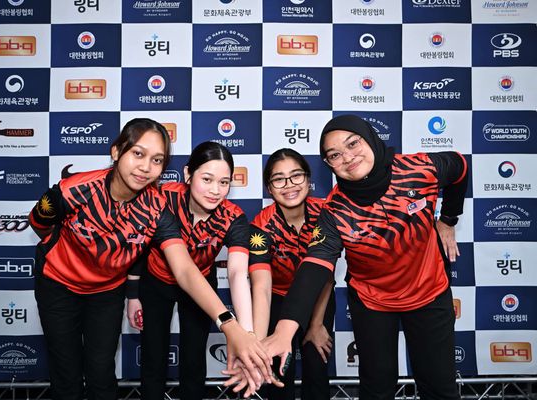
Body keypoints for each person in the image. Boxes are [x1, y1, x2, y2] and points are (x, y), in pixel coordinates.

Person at [29, 118, 271, 400]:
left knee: (101, 372)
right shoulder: (73, 190)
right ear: (116, 151)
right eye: (138, 154)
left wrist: (232, 326)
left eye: (157, 160)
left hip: (107, 290)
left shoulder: (157, 208)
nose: (145, 167)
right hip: (58, 285)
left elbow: (185, 269)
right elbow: (40, 224)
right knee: (66, 374)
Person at [229, 114, 468, 399]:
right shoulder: (334, 210)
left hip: (429, 293)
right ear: (328, 164)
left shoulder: (420, 168)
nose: (348, 157)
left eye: (353, 144)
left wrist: (448, 219)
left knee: (439, 388)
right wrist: (283, 332)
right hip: (372, 303)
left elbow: (460, 167)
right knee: (376, 390)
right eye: (334, 155)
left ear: (370, 139)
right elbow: (315, 266)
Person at [128, 141, 254, 400]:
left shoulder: (233, 217)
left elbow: (237, 273)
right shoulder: (162, 198)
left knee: (194, 358)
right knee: (153, 356)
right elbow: (137, 245)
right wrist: (132, 294)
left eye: (224, 182)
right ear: (188, 174)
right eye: (207, 179)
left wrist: (247, 334)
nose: (215, 190)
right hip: (156, 281)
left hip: (201, 287)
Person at [248, 149, 335, 400]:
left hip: (317, 299)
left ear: (308, 179)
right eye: (279, 179)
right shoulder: (260, 226)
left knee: (317, 369)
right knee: (278, 374)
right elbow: (261, 286)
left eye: (296, 176)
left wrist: (316, 324)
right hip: (277, 300)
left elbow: (326, 275)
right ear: (269, 188)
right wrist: (260, 342)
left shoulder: (326, 214)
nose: (289, 185)